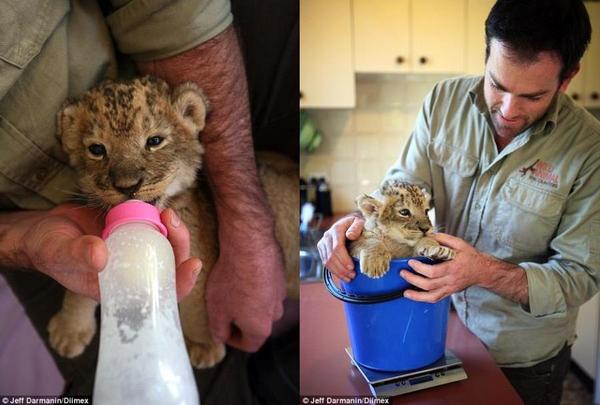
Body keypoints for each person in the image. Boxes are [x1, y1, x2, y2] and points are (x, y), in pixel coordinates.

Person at [0, 0, 298, 403]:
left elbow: (172, 11)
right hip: (32, 211)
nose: (126, 179)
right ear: (72, 137)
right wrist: (24, 243)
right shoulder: (87, 158)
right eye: (96, 149)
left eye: (153, 142)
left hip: (162, 52)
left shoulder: (184, 118)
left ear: (190, 117)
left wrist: (245, 221)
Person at [318, 1, 599, 404]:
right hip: (437, 325)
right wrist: (365, 223)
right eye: (497, 85)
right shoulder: (443, 103)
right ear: (486, 55)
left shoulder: (590, 149)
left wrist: (482, 272)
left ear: (567, 78)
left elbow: (580, 276)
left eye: (533, 96)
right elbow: (403, 188)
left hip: (523, 359)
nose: (508, 110)